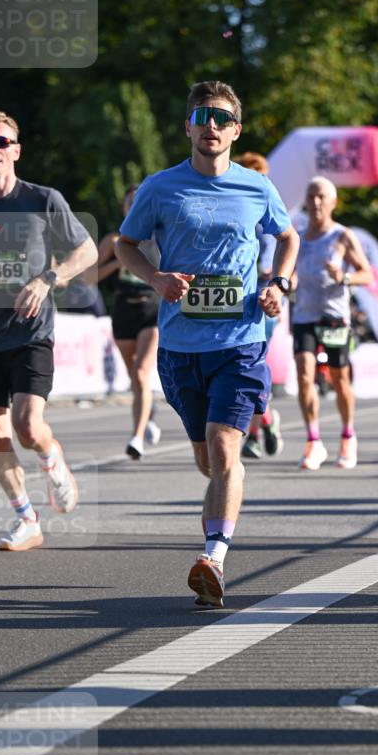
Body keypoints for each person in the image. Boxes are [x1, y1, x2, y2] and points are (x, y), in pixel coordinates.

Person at [115, 81, 299, 607]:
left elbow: (288, 237)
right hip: (180, 349)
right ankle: (220, 519)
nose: (211, 125)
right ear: (188, 127)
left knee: (223, 449)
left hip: (239, 341)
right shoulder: (160, 187)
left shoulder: (257, 188)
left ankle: (213, 558)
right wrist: (155, 279)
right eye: (202, 116)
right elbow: (125, 246)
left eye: (221, 117)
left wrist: (277, 285)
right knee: (210, 462)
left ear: (235, 130)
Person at [0, 110, 97, 551]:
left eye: (1, 141)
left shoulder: (43, 200)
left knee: (27, 426)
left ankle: (53, 461)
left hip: (31, 333)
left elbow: (85, 251)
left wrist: (46, 279)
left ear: (16, 149)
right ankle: (26, 519)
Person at [292, 176, 373, 470]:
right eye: (311, 196)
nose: (316, 203)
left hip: (335, 318)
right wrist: (288, 282)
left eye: (322, 197)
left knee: (340, 381)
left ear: (333, 202)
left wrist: (345, 278)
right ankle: (313, 441)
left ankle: (348, 435)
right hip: (303, 315)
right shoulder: (298, 238)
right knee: (304, 376)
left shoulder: (342, 236)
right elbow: (290, 273)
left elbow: (367, 274)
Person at [84, 185, 162, 459]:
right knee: (134, 378)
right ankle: (148, 412)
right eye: (131, 201)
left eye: (140, 201)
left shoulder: (159, 236)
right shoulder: (114, 240)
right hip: (123, 309)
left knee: (142, 372)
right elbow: (87, 277)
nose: (135, 205)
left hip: (152, 307)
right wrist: (118, 262)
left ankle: (137, 437)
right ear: (124, 208)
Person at [233, 152, 283, 461]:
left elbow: (287, 245)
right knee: (239, 364)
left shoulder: (269, 205)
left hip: (263, 297)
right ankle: (266, 418)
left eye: (259, 175)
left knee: (252, 364)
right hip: (234, 298)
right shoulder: (233, 204)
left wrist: (277, 283)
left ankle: (251, 435)